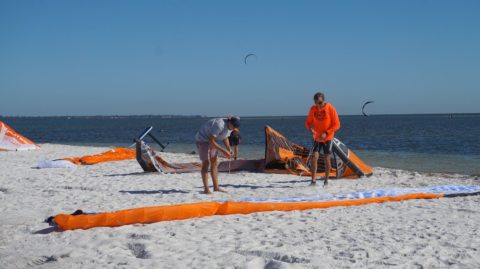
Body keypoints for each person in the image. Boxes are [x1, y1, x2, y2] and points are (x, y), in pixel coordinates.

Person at [195, 116, 240, 194]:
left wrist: (229, 149)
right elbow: (211, 141)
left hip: (212, 141)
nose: (233, 128)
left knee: (214, 162)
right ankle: (206, 189)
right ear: (229, 122)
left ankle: (216, 187)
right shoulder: (219, 125)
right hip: (202, 139)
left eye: (235, 127)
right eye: (233, 126)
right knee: (206, 163)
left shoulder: (230, 127)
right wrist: (223, 151)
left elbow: (225, 137)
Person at [305, 92, 340, 186]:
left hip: (327, 138)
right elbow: (308, 123)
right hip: (316, 138)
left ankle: (326, 180)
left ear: (323, 101)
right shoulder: (313, 109)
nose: (318, 105)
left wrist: (326, 133)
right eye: (316, 103)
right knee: (314, 157)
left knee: (326, 158)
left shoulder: (330, 108)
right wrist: (310, 129)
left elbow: (337, 124)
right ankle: (313, 181)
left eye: (320, 103)